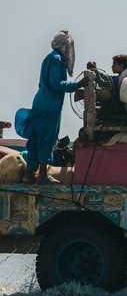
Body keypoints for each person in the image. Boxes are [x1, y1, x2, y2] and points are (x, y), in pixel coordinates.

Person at [14, 30, 86, 183]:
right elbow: (56, 83)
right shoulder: (57, 59)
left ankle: (29, 174)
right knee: (47, 138)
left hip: (41, 102)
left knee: (35, 139)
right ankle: (42, 175)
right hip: (50, 106)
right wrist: (78, 85)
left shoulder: (49, 57)